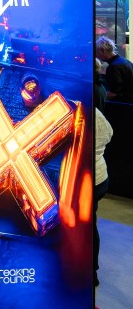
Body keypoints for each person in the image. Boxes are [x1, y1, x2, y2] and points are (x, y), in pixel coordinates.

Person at [94, 99, 113, 287]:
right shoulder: (98, 114)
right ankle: (92, 272)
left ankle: (89, 272)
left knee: (87, 226)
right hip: (101, 178)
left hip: (92, 181)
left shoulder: (86, 114)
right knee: (91, 224)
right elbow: (109, 134)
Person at [96, 36, 133, 103]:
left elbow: (113, 93)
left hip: (122, 105)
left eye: (96, 52)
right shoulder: (125, 61)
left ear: (103, 50)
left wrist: (96, 97)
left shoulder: (114, 67)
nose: (96, 56)